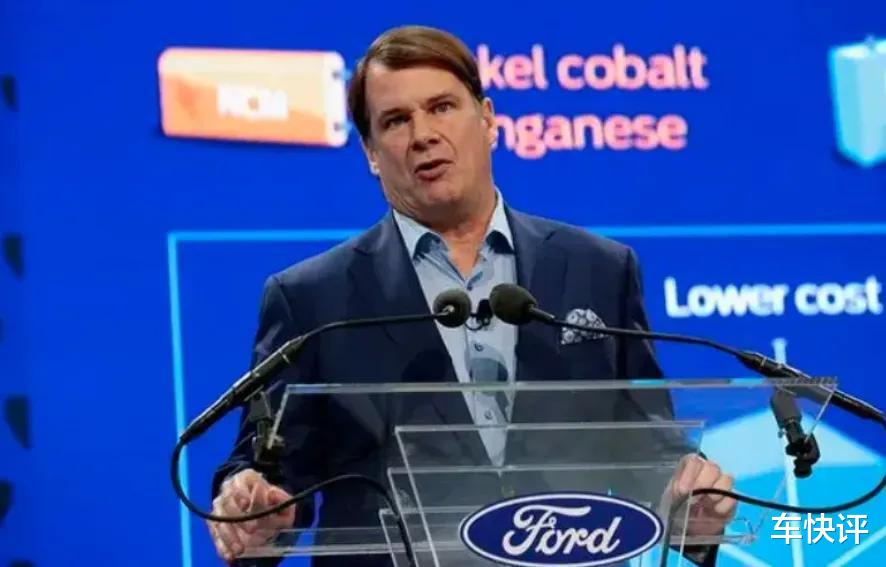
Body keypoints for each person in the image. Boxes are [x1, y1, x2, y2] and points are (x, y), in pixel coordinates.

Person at [207, 25, 736, 566]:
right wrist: (253, 506)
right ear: (370, 152)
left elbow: (646, 440)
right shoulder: (311, 299)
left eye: (442, 107)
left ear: (487, 120)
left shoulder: (599, 268)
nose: (423, 135)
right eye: (395, 120)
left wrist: (685, 502)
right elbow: (271, 468)